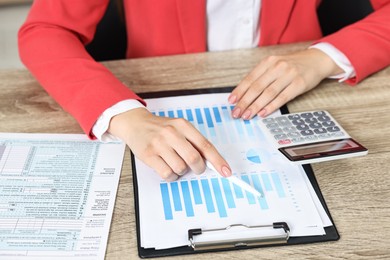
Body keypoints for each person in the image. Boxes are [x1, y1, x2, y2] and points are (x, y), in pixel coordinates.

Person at [18, 0, 390, 182]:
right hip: (154, 98)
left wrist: (323, 57)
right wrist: (123, 115)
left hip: (297, 106)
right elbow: (45, 31)